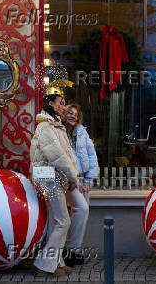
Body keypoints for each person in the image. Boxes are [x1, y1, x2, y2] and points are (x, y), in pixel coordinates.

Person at [30, 94, 79, 276]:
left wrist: (68, 176)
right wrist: (73, 176)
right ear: (50, 104)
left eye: (65, 103)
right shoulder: (46, 126)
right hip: (47, 176)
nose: (63, 107)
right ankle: (44, 264)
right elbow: (57, 155)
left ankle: (56, 262)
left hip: (53, 176)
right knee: (63, 220)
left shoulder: (55, 126)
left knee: (55, 220)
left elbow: (65, 155)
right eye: (61, 103)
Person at [62, 104, 99, 266]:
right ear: (64, 114)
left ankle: (74, 250)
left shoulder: (82, 132)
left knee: (82, 214)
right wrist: (74, 179)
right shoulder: (60, 132)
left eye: (75, 115)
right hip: (68, 180)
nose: (73, 117)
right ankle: (65, 249)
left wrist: (90, 178)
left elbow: (92, 155)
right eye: (70, 113)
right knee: (74, 211)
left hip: (84, 179)